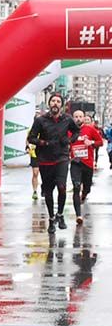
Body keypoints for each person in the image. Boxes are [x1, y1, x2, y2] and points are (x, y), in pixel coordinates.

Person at [27, 94, 79, 233]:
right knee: (48, 191)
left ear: (61, 105)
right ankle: (51, 219)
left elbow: (76, 131)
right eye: (53, 101)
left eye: (58, 102)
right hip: (45, 159)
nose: (55, 104)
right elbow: (31, 137)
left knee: (62, 187)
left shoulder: (67, 119)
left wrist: (69, 141)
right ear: (49, 104)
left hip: (62, 157)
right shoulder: (40, 120)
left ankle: (60, 215)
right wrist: (42, 142)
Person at [69, 109, 103, 224]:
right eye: (76, 116)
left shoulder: (90, 129)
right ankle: (79, 215)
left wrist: (92, 143)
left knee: (86, 187)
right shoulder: (69, 131)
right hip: (75, 163)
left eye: (80, 116)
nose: (78, 118)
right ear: (73, 118)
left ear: (84, 118)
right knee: (76, 186)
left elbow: (100, 142)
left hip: (87, 163)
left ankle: (84, 194)